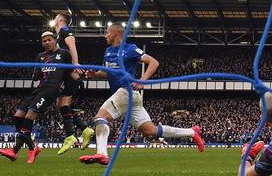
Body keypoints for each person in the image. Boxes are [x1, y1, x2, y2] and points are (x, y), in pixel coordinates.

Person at [79, 23, 205, 165]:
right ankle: (192, 132)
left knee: (100, 118)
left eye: (107, 32)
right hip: (130, 97)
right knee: (151, 132)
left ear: (115, 33)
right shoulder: (107, 51)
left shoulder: (130, 49)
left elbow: (153, 62)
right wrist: (95, 74)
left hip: (126, 92)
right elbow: (108, 72)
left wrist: (142, 80)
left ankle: (101, 153)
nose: (105, 35)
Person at [0, 31, 73, 163]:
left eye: (49, 40)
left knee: (28, 118)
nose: (47, 43)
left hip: (51, 89)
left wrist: (70, 86)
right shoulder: (41, 56)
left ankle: (14, 151)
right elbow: (37, 75)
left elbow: (70, 72)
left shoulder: (64, 54)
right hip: (39, 89)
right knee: (17, 117)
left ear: (55, 40)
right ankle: (33, 148)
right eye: (44, 41)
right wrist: (36, 74)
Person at [52, 13, 95, 155]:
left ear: (59, 20)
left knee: (63, 104)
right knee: (61, 105)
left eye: (55, 17)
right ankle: (84, 129)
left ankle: (71, 136)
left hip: (69, 72)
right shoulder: (58, 35)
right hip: (64, 72)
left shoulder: (65, 30)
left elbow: (71, 43)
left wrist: (75, 63)